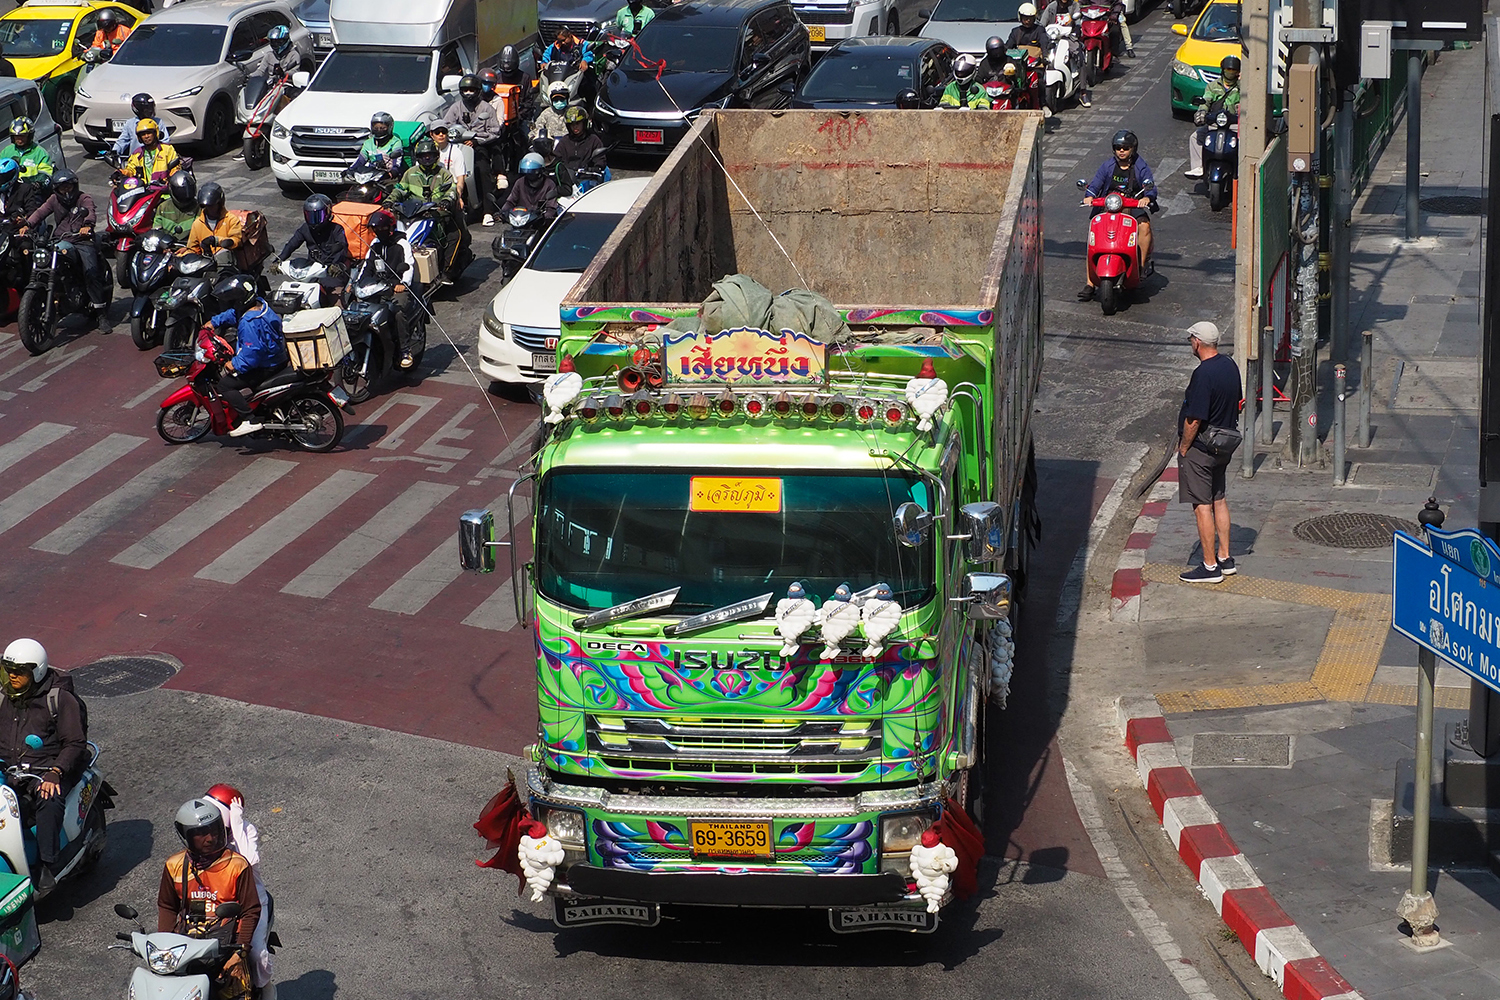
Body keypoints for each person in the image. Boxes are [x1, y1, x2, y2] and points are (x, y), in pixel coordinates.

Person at [0, 639, 86, 897]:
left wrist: (55, 772)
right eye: (9, 669)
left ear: (36, 671)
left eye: (20, 671)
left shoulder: (59, 699)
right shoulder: (4, 698)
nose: (13, 675)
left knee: (49, 799)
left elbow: (75, 742)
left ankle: (47, 863)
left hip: (46, 770)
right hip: (10, 769)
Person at [157, 799, 260, 998]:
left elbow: (250, 910)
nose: (210, 838)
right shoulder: (174, 865)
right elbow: (167, 906)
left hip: (228, 945)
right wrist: (165, 945)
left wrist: (241, 953)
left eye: (214, 830)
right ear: (186, 836)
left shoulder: (237, 865)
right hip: (188, 942)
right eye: (201, 833)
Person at [1176, 321, 1242, 583]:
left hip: (1202, 448)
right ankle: (1225, 558)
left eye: (1191, 339)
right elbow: (1239, 401)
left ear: (1198, 342)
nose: (1191, 344)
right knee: (1219, 500)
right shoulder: (1229, 365)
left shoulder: (1203, 374)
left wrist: (1184, 448)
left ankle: (1210, 566)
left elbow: (1194, 419)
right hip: (1223, 444)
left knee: (1202, 506)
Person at [204, 785, 274, 1000]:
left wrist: (237, 824)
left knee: (255, 953)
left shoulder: (246, 831)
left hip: (251, 903)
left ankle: (266, 989)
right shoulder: (207, 836)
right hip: (216, 901)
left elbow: (248, 861)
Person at [1078, 128, 1157, 301]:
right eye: (1118, 147)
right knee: (1093, 234)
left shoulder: (1140, 165)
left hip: (1132, 203)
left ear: (1132, 149)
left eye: (1126, 147)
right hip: (1109, 204)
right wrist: (1089, 197)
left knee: (1144, 226)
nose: (1122, 150)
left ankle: (1141, 266)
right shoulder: (1107, 166)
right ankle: (1090, 282)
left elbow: (1149, 185)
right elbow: (1095, 184)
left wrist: (1146, 197)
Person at [23, 169, 111, 324]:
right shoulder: (53, 200)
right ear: (56, 189)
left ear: (74, 185)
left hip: (82, 240)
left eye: (68, 186)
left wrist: (87, 225)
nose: (66, 190)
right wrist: (28, 225)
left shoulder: (84, 198)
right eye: (62, 187)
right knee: (47, 261)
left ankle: (101, 314)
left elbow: (90, 212)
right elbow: (40, 212)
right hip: (61, 239)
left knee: (91, 272)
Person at [210, 273, 288, 437]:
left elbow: (252, 354)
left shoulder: (249, 323)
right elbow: (233, 314)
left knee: (225, 385)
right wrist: (214, 322)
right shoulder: (260, 305)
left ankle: (250, 419)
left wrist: (235, 364)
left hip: (267, 365)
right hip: (277, 356)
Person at [355, 208, 422, 367]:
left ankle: (405, 350)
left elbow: (409, 265)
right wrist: (357, 283)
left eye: (381, 229)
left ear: (390, 228)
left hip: (395, 287)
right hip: (377, 287)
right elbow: (367, 266)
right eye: (376, 229)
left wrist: (402, 284)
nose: (378, 232)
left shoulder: (402, 244)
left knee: (398, 311)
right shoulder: (375, 244)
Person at [442, 73, 502, 225]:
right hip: (457, 146)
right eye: (465, 90)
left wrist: (476, 141)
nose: (468, 93)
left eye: (472, 90)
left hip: (479, 147)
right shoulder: (455, 107)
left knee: (483, 171)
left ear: (478, 91)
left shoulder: (486, 108)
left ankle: (488, 211)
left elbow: (494, 131)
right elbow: (446, 124)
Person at [277, 193, 350, 299]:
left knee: (334, 299)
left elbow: (342, 248)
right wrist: (279, 259)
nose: (314, 221)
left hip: (332, 270)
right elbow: (292, 244)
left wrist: (335, 265)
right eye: (310, 216)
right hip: (311, 270)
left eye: (318, 216)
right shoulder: (305, 228)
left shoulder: (337, 229)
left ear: (328, 213)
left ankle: (339, 313)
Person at [1184, 55, 1241, 181]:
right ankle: (1199, 166)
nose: (1230, 73)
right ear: (1223, 70)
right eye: (1228, 69)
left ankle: (1242, 168)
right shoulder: (1212, 86)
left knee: (1244, 141)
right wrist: (1202, 113)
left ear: (1238, 72)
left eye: (1233, 70)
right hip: (1215, 123)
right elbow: (1206, 102)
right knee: (1195, 137)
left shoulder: (1241, 88)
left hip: (1234, 125)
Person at [183, 181, 242, 260]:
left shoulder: (231, 220)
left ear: (219, 203)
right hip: (206, 264)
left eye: (212, 206)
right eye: (206, 206)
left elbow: (236, 240)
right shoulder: (197, 224)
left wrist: (217, 241)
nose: (209, 209)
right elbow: (192, 249)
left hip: (228, 264)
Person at [554, 107, 606, 189]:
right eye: (572, 124)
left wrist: (595, 168)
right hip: (568, 181)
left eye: (578, 123)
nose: (575, 127)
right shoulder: (564, 141)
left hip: (588, 179)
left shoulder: (593, 140)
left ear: (584, 123)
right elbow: (556, 159)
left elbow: (600, 159)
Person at [501, 151, 561, 223]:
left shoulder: (549, 184)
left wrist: (545, 217)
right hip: (520, 220)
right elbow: (511, 201)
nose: (529, 176)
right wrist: (503, 212)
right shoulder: (520, 182)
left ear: (540, 171)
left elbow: (551, 207)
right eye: (527, 173)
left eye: (533, 173)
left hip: (539, 223)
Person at [113, 94, 172, 159]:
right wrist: (114, 152)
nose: (150, 111)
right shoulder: (130, 123)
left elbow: (165, 141)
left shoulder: (158, 122)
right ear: (138, 110)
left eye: (151, 108)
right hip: (136, 161)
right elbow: (122, 141)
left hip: (156, 160)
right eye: (147, 109)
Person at [122, 119, 181, 184]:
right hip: (144, 191)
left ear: (155, 133)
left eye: (149, 133)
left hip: (163, 190)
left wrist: (168, 178)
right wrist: (121, 173)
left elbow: (176, 168)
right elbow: (131, 170)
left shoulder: (167, 149)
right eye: (143, 134)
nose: (146, 136)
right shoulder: (137, 154)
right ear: (140, 138)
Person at [426, 123, 469, 213]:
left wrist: (458, 197)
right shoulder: (426, 151)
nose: (441, 134)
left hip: (451, 190)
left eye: (444, 132)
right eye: (437, 132)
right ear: (431, 134)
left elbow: (460, 178)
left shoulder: (456, 151)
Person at [351, 112, 404, 179]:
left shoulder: (396, 142)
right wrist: (350, 170)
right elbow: (360, 160)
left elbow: (397, 163)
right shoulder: (368, 143)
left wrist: (391, 173)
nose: (379, 130)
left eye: (382, 128)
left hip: (388, 178)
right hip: (370, 177)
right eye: (376, 127)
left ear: (390, 127)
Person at [0, 118, 53, 183]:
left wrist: (28, 181)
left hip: (31, 190)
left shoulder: (40, 153)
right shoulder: (6, 151)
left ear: (30, 136)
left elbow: (45, 176)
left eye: (22, 136)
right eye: (17, 136)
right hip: (8, 189)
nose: (19, 140)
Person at [153, 170, 199, 242]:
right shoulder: (163, 208)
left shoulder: (199, 208)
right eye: (181, 193)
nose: (185, 198)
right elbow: (156, 231)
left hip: (191, 248)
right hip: (167, 248)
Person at [0, 158, 44, 225]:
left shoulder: (24, 189)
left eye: (3, 177)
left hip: (17, 229)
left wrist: (24, 219)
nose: (1, 180)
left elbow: (32, 210)